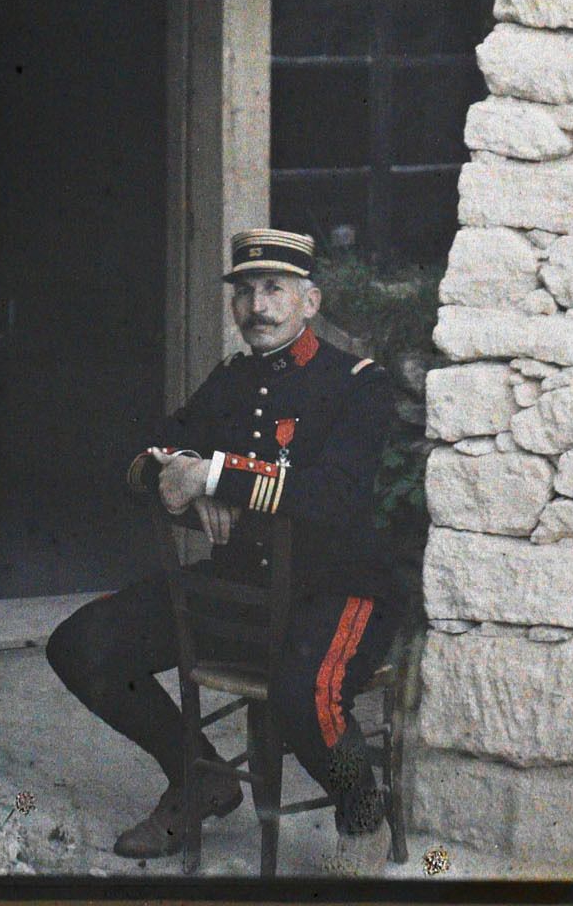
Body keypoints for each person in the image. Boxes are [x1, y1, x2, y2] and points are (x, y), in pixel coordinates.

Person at [46, 228, 402, 873]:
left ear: (311, 301)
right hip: (241, 589)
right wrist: (181, 463)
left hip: (338, 588)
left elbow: (335, 497)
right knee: (82, 645)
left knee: (305, 700)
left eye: (274, 290)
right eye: (244, 292)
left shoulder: (358, 385)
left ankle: (360, 810)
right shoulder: (231, 380)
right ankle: (198, 777)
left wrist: (213, 475)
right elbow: (145, 454)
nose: (257, 306)